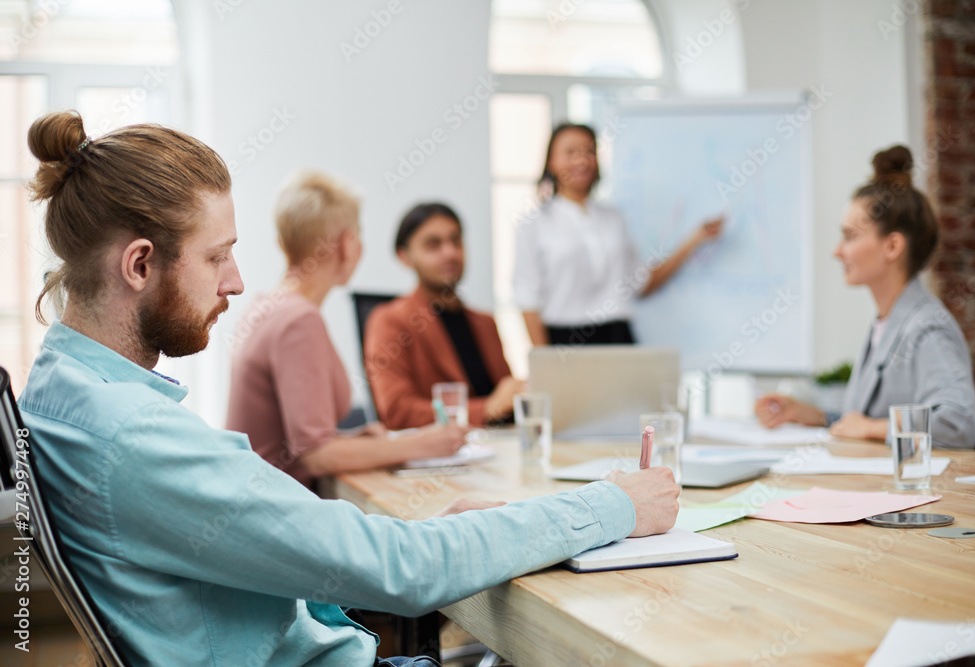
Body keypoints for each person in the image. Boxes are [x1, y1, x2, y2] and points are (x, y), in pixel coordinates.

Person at [17, 111, 680, 666]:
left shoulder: (61, 389)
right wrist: (614, 503)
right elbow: (408, 574)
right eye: (217, 254)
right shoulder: (128, 433)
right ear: (139, 264)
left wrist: (405, 542)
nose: (236, 280)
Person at [225, 172, 468, 491]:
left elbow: (292, 439)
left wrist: (351, 439)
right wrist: (425, 443)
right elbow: (317, 456)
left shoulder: (266, 306)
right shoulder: (299, 320)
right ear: (346, 245)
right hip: (278, 510)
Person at [755, 145, 975, 452]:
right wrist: (812, 416)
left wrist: (869, 427)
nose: (837, 251)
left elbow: (960, 425)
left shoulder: (927, 329)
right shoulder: (887, 321)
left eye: (850, 236)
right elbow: (868, 422)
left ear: (892, 246)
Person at [513, 123, 724, 347]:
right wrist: (545, 363)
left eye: (589, 151)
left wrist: (694, 240)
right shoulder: (534, 224)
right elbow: (527, 299)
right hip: (563, 342)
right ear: (551, 162)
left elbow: (640, 283)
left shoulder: (613, 218)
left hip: (617, 337)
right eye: (570, 152)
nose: (582, 161)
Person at [365, 203, 523, 430]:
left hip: (501, 448)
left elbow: (507, 398)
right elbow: (397, 412)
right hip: (441, 458)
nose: (450, 253)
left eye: (456, 241)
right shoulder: (390, 321)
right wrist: (486, 408)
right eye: (433, 245)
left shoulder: (485, 323)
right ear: (405, 257)